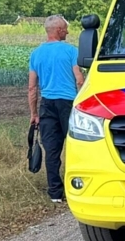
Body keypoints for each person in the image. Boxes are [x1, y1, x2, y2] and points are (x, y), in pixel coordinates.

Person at [28, 15, 85, 203]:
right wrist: (82, 105)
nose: (68, 32)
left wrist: (34, 114)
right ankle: (79, 187)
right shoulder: (70, 51)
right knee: (78, 146)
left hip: (47, 104)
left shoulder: (36, 54)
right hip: (68, 104)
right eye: (66, 29)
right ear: (59, 30)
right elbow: (79, 79)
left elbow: (32, 87)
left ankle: (55, 193)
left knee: (52, 150)